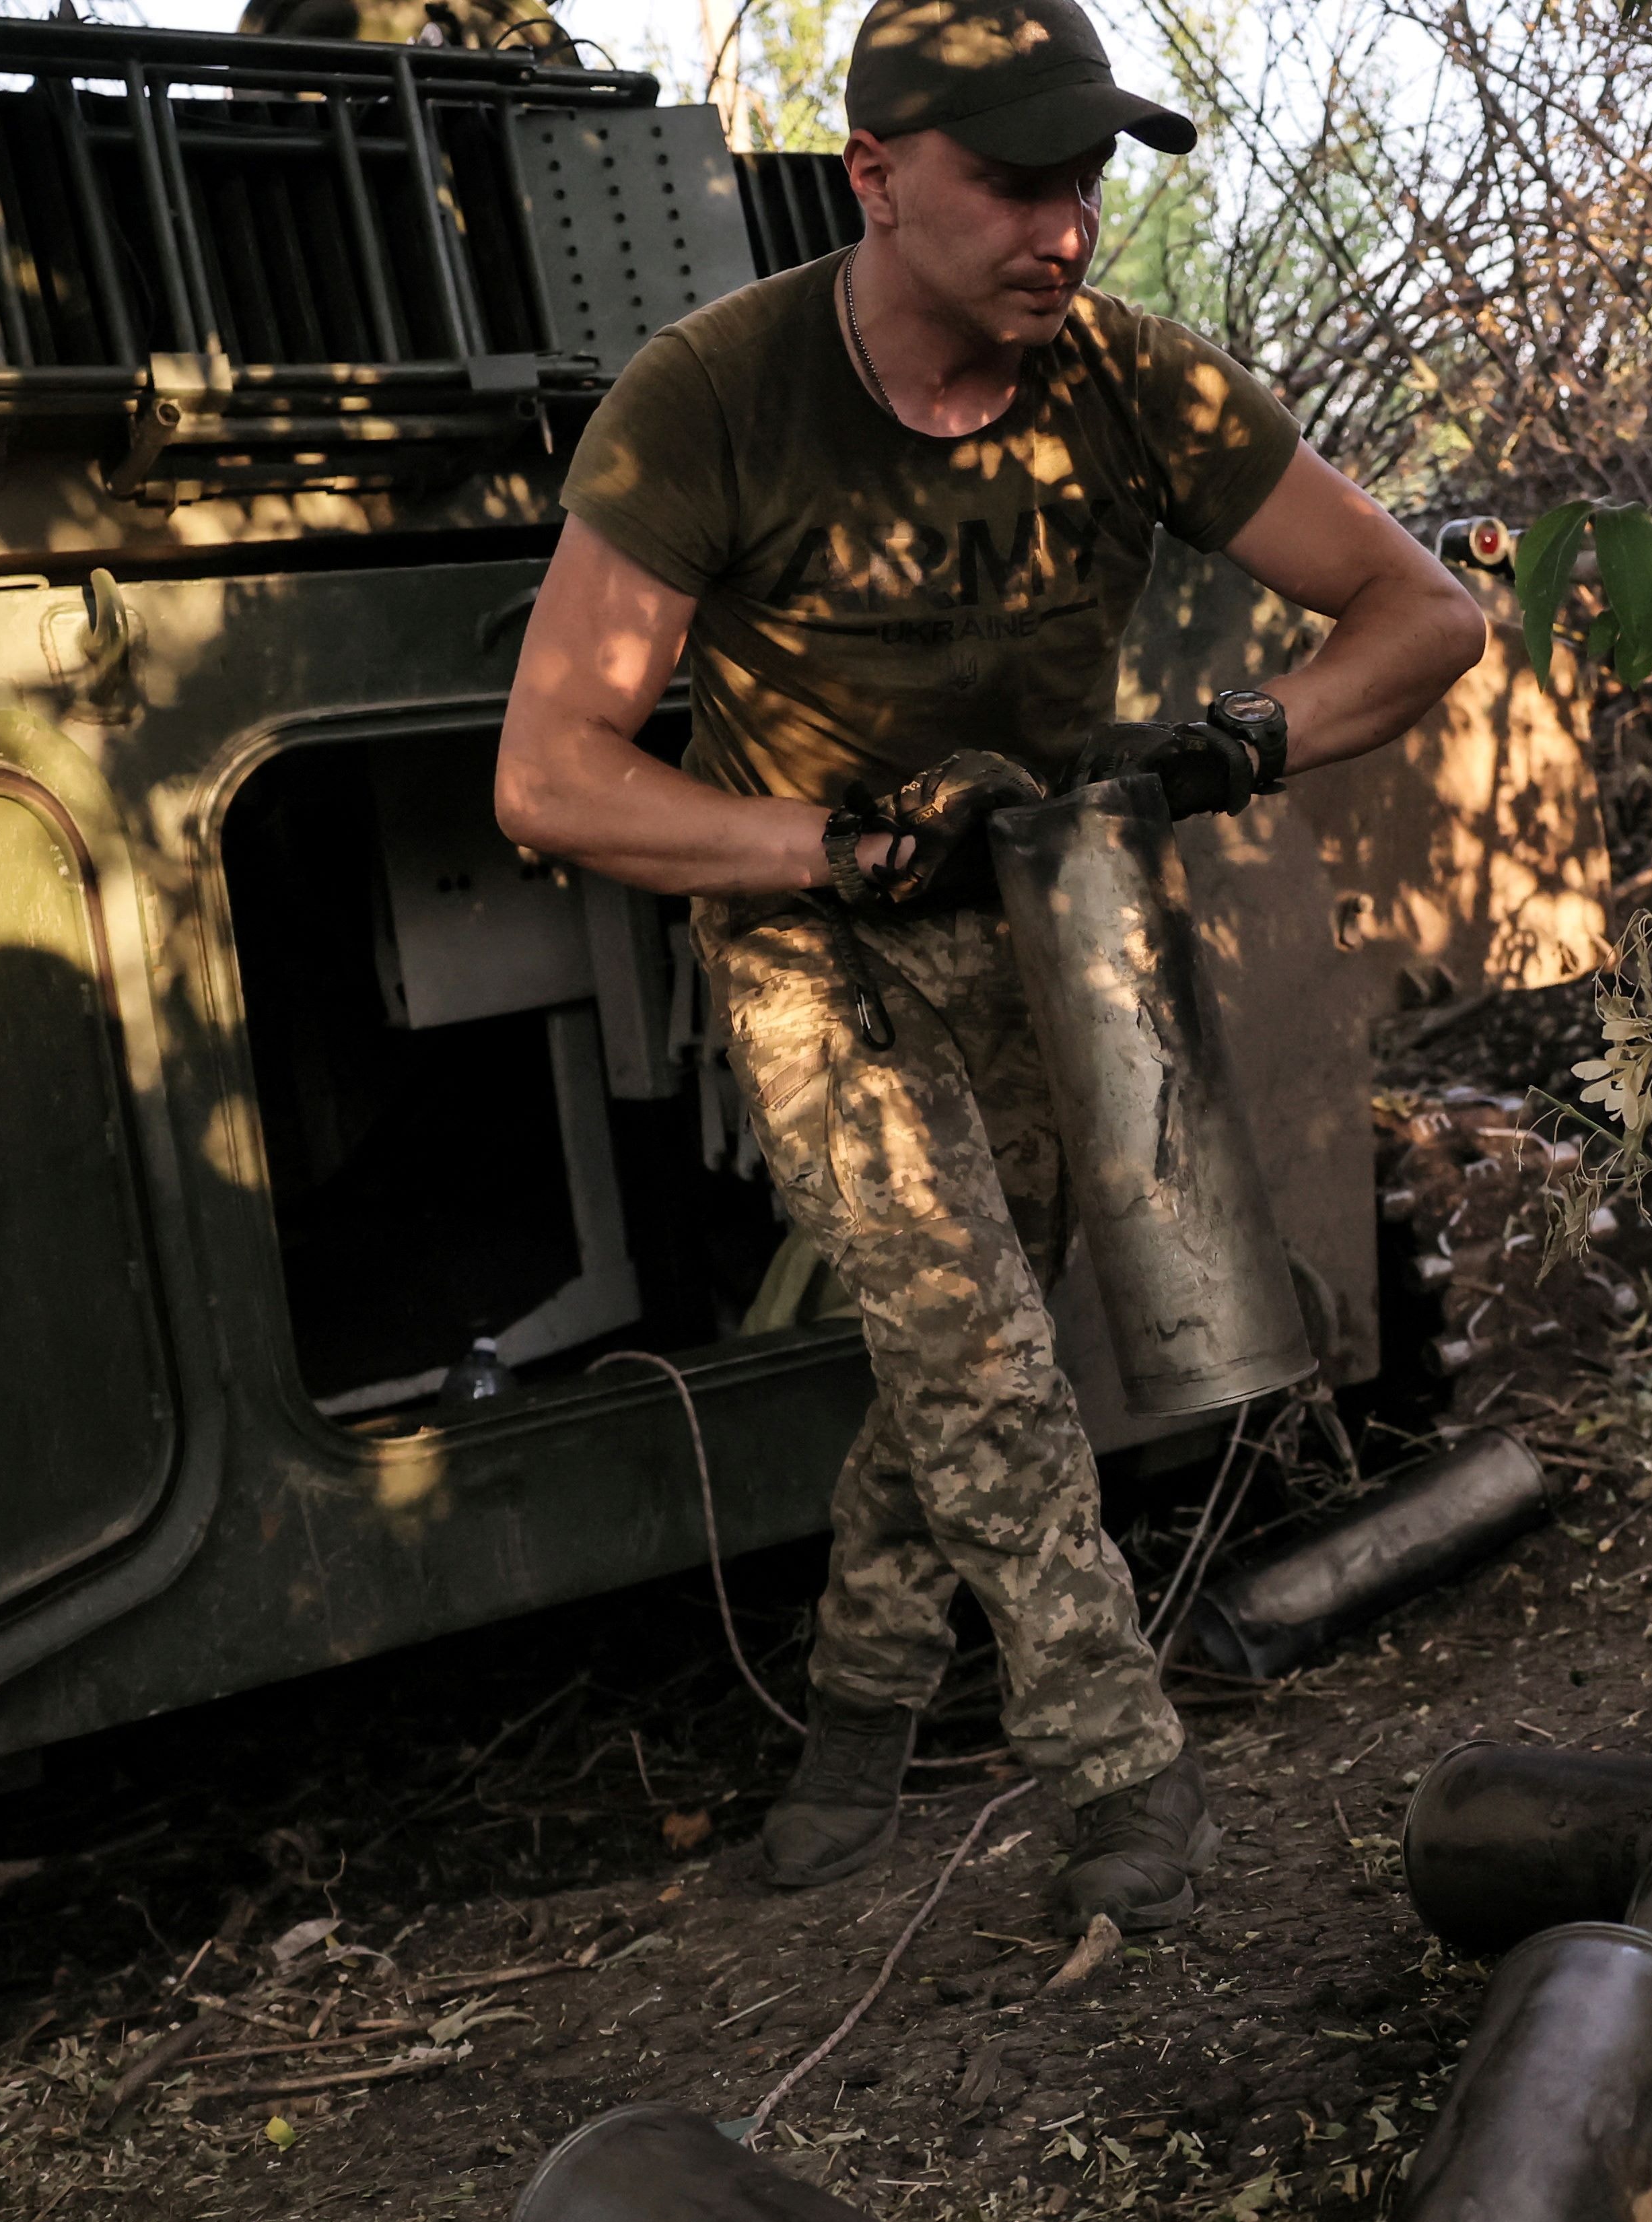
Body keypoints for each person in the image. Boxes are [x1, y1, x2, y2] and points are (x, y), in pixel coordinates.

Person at [493, 0, 1486, 1935]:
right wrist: (825, 851)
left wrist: (1235, 744)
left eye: (1088, 183)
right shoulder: (715, 397)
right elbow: (552, 776)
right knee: (977, 1346)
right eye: (1015, 182)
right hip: (806, 942)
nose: (1064, 229)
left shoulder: (1136, 388)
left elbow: (1422, 617)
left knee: (970, 1352)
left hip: (1039, 927)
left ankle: (855, 1722)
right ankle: (1122, 1774)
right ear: (874, 178)